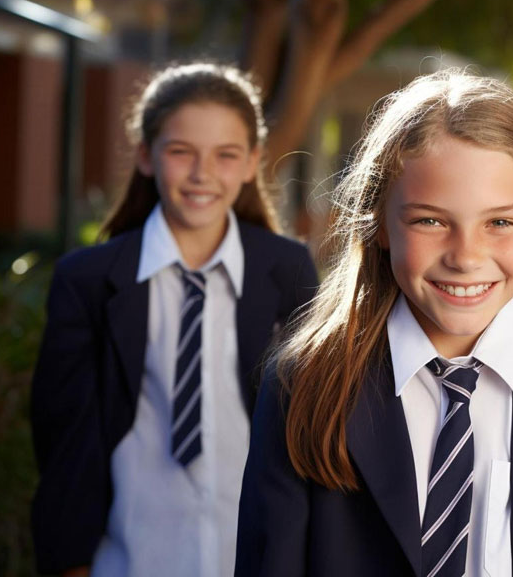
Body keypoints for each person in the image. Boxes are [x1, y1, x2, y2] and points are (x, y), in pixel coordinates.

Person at [235, 69, 513, 577]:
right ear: (381, 222)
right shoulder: (304, 385)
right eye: (430, 220)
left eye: (500, 222)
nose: (466, 257)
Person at [30, 62, 318, 577]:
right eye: (181, 151)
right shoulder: (88, 280)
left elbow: (312, 432)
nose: (202, 174)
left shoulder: (287, 270)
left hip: (251, 554)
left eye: (226, 155)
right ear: (145, 155)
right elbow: (65, 440)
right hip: (130, 556)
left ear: (252, 162)